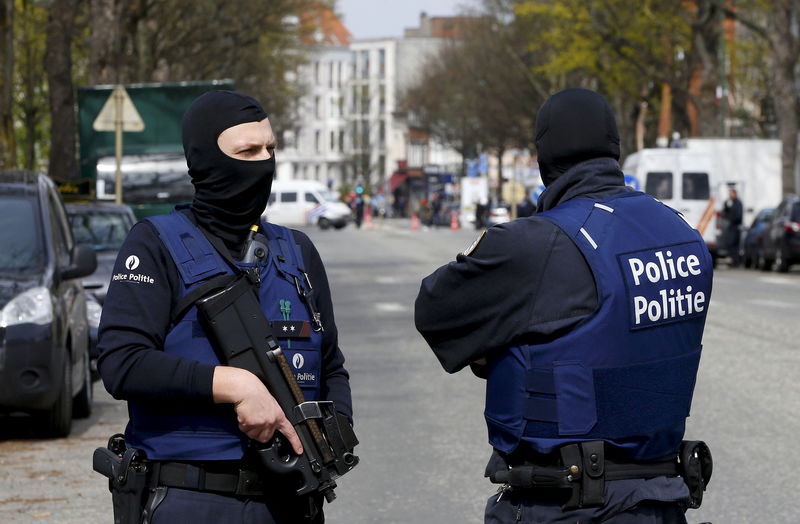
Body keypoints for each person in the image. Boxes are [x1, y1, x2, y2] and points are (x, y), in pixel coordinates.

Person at [415, 88, 713, 523]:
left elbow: (436, 312)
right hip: (664, 499)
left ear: (543, 159)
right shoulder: (685, 235)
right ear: (615, 147)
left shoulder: (536, 244)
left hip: (568, 506)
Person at [97, 90, 353, 524]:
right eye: (247, 150)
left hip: (290, 498)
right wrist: (233, 385)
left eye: (270, 148)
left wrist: (335, 433)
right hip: (190, 496)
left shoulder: (298, 253)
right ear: (204, 160)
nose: (263, 163)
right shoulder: (154, 244)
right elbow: (122, 362)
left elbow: (331, 366)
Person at [722, 187, 743, 267]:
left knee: (733, 245)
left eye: (730, 193)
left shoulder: (737, 203)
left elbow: (738, 216)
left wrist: (732, 221)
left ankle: (735, 262)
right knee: (730, 244)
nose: (729, 195)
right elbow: (726, 211)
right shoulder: (732, 203)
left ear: (734, 193)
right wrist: (726, 203)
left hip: (735, 227)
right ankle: (733, 261)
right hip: (732, 227)